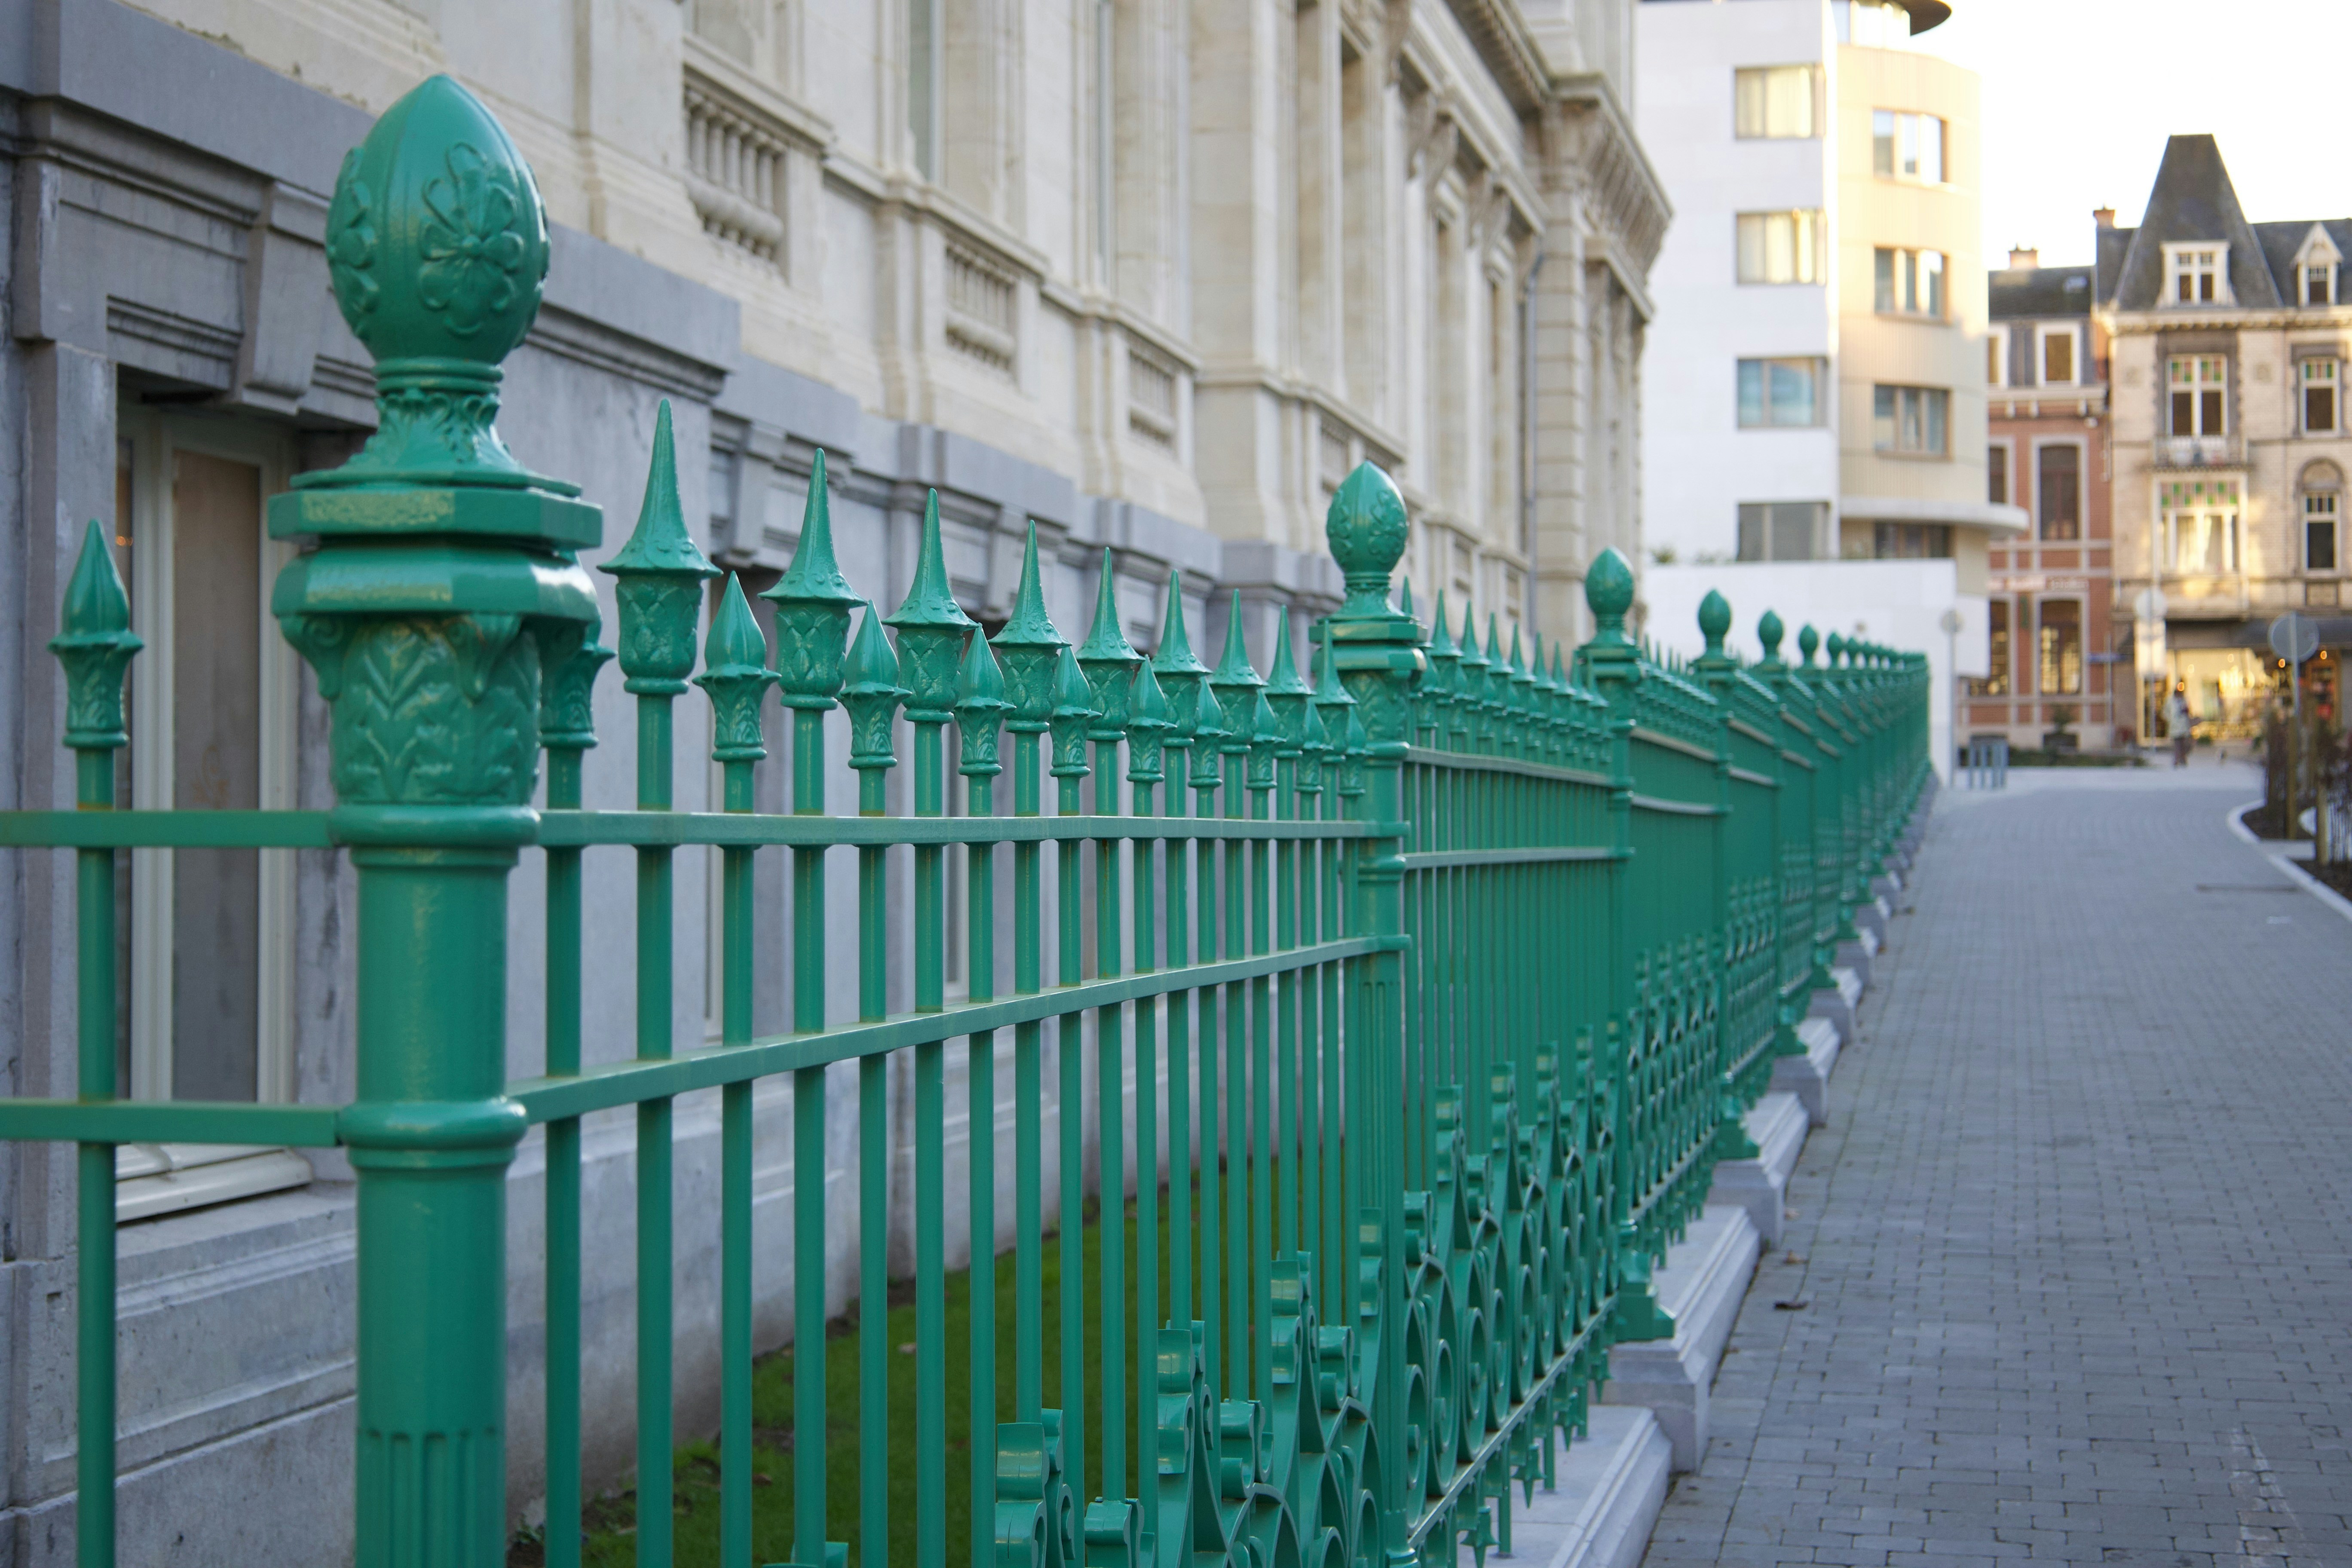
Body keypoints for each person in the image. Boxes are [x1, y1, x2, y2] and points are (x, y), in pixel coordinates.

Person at [2165, 686, 2195, 768]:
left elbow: (2189, 711)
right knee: (2177, 744)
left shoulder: (2184, 700)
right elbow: (2166, 712)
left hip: (2184, 727)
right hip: (2175, 727)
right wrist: (2170, 720)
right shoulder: (2170, 701)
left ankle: (2183, 758)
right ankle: (2177, 759)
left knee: (2185, 744)